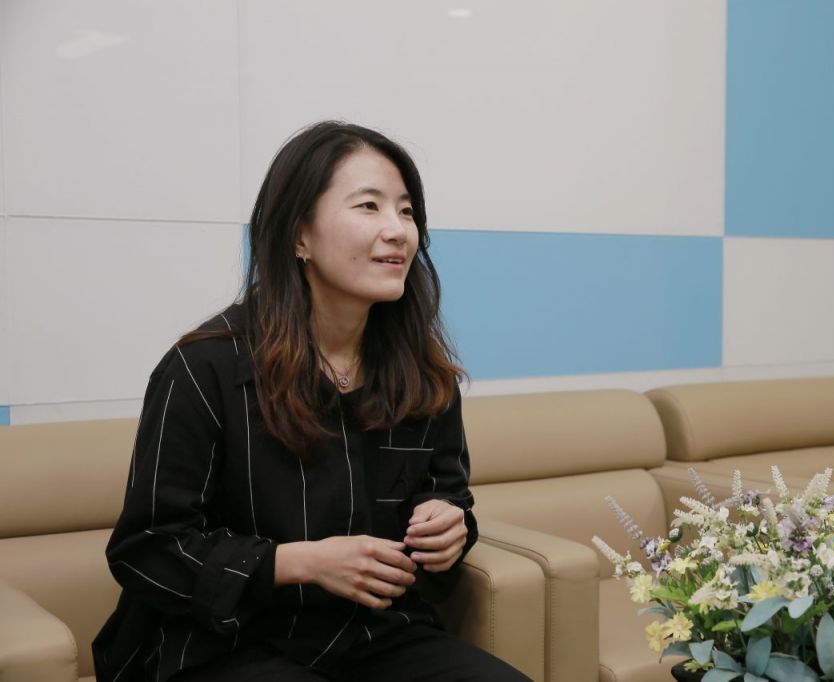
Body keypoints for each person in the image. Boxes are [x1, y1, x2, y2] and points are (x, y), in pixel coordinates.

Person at [92, 121, 531, 682]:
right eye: (369, 206)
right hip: (223, 644)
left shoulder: (421, 372)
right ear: (299, 235)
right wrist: (299, 562)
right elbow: (146, 549)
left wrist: (450, 527)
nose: (398, 230)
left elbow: (447, 495)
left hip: (370, 634)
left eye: (406, 211)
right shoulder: (204, 367)